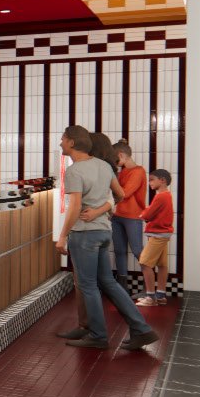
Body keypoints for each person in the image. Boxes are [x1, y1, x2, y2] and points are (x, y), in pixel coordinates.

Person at [55, 126, 158, 351]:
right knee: (108, 282)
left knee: (88, 285)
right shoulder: (104, 165)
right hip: (103, 232)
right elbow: (119, 194)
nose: (60, 143)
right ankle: (141, 329)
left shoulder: (74, 171)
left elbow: (74, 208)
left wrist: (62, 236)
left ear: (72, 142)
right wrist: (103, 210)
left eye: (62, 139)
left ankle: (98, 335)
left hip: (83, 234)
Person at [136, 169, 175, 306]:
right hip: (164, 234)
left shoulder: (160, 196)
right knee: (162, 265)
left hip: (158, 234)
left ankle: (151, 298)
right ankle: (161, 295)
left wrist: (142, 215)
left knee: (145, 263)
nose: (149, 182)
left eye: (152, 179)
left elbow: (147, 215)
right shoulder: (167, 195)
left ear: (162, 180)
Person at [110, 141, 146, 278]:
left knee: (137, 251)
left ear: (121, 155)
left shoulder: (139, 171)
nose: (114, 162)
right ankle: (123, 286)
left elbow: (124, 193)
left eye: (115, 158)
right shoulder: (123, 171)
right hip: (117, 215)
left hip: (133, 216)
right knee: (119, 251)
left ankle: (149, 288)